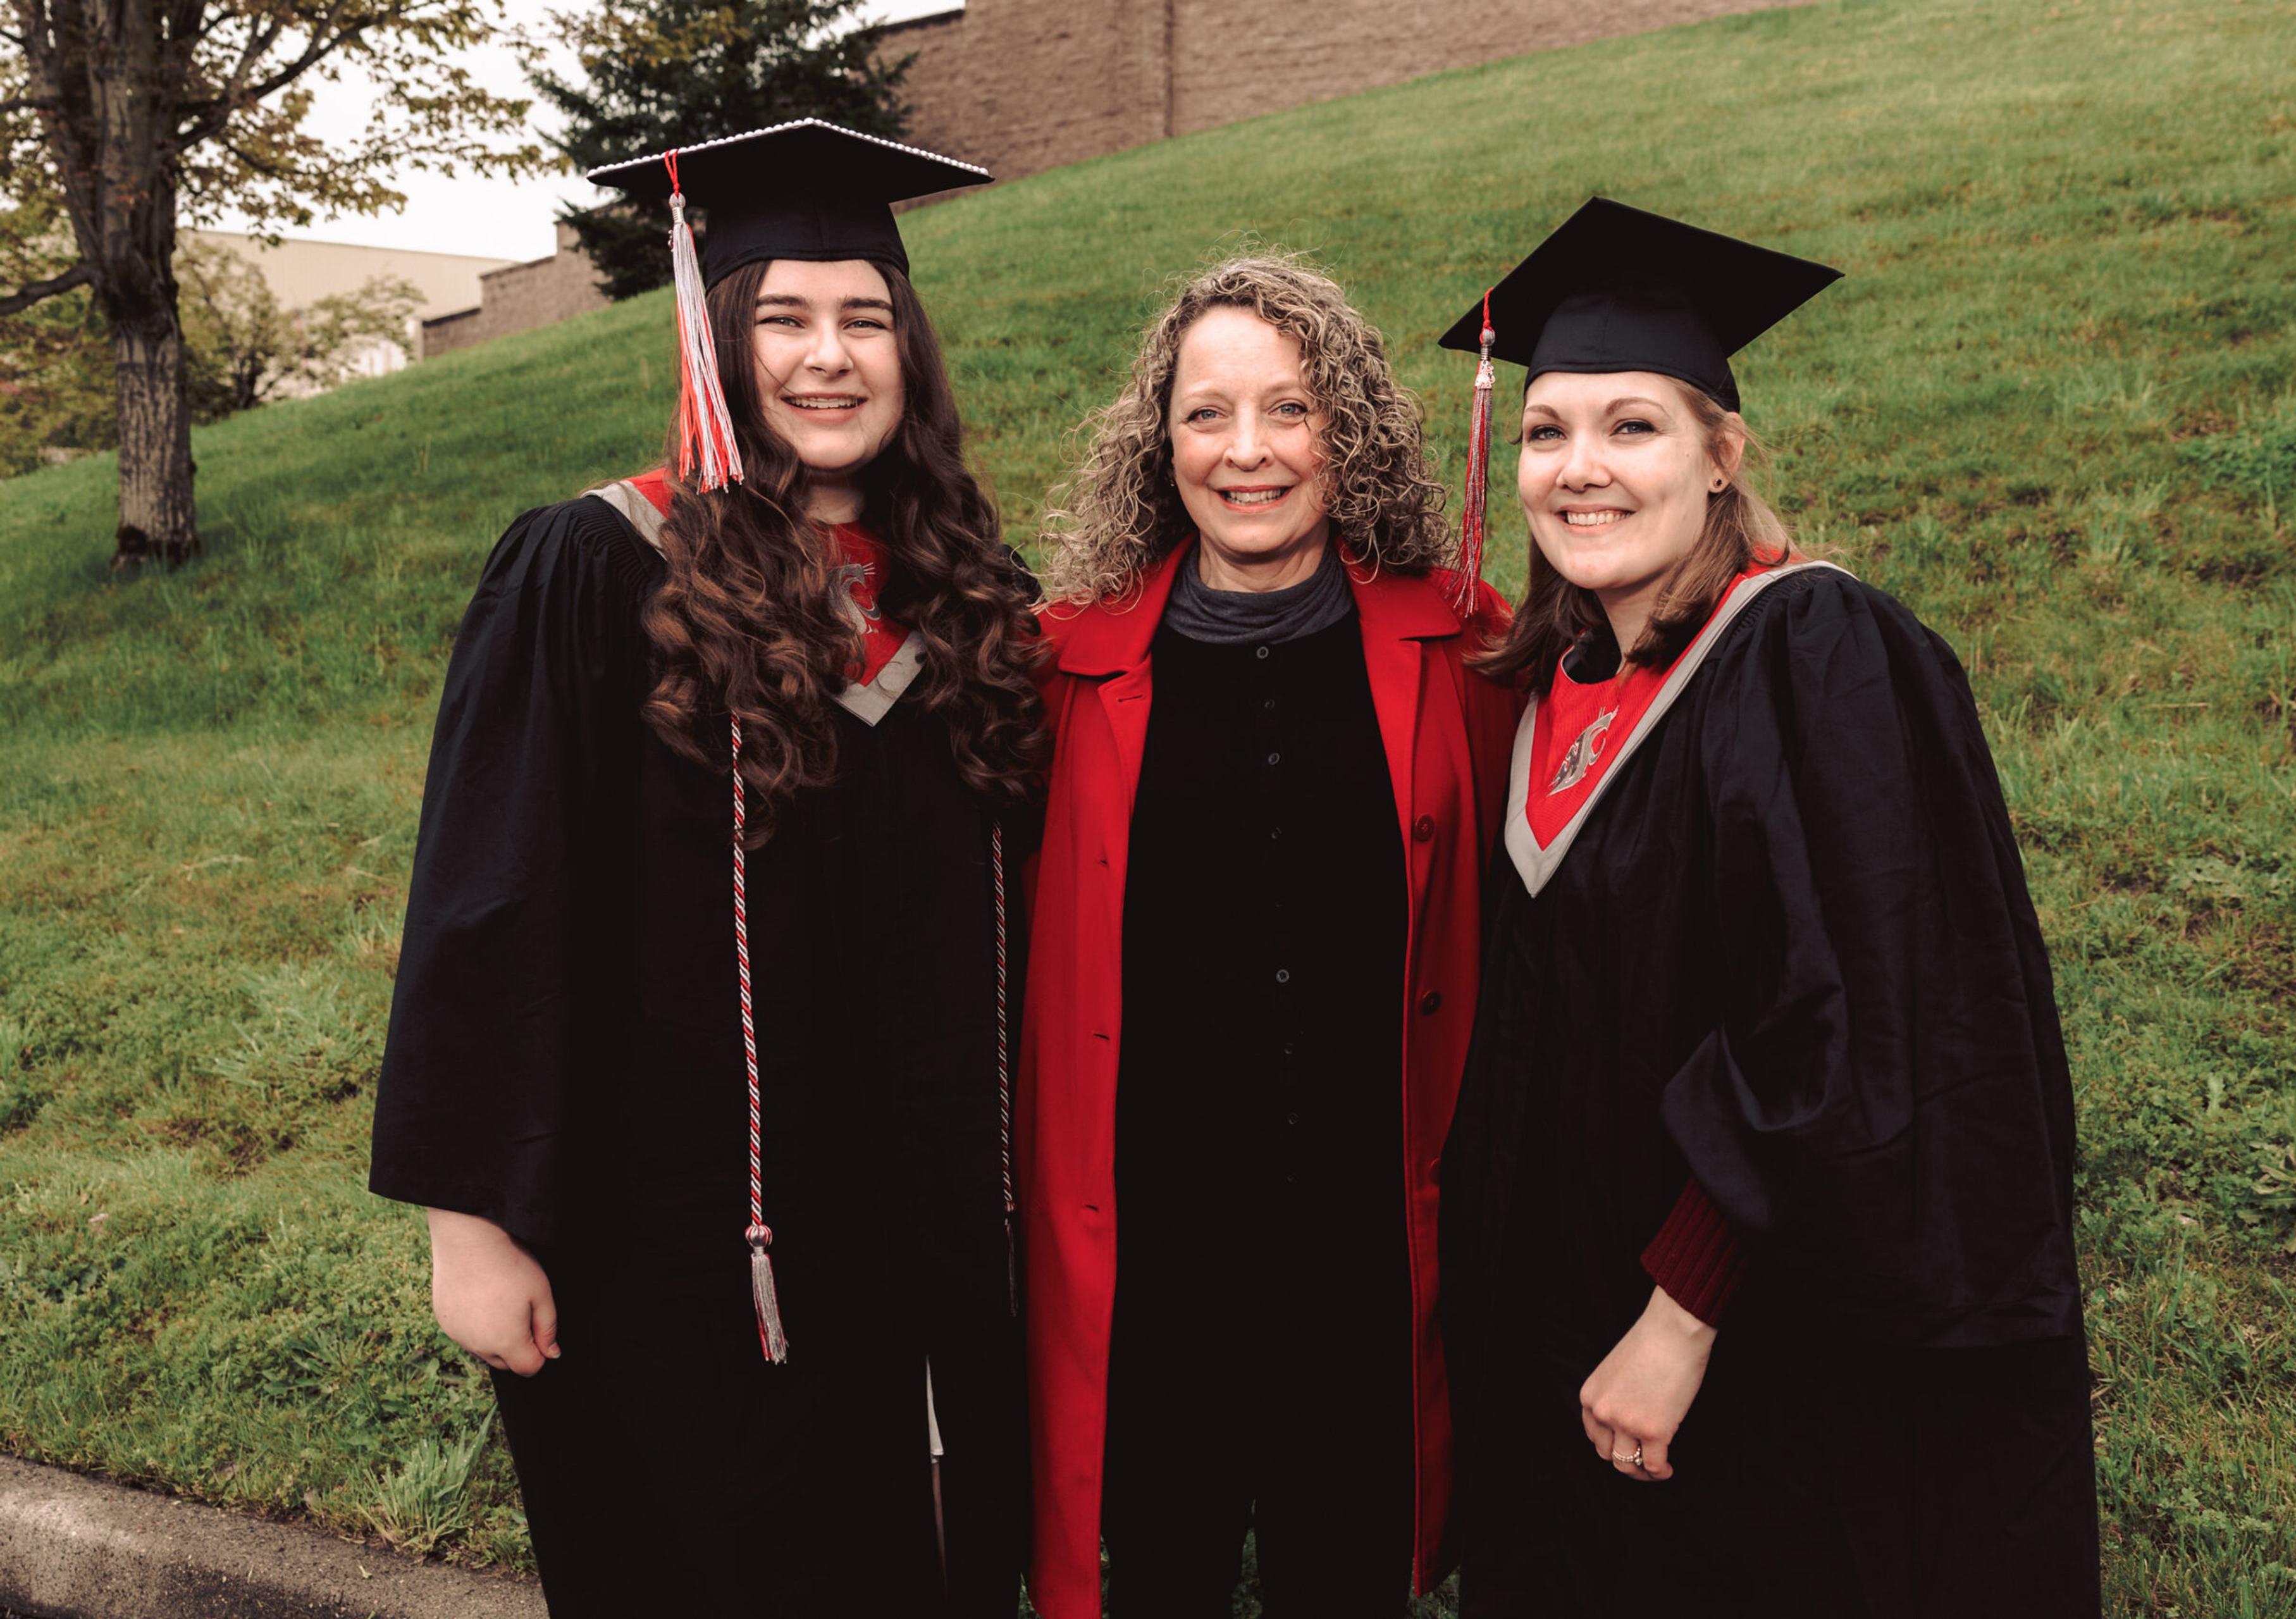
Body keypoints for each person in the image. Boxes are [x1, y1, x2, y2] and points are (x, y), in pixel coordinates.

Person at [369, 120, 1044, 1619]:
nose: (828, 356)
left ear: (909, 351)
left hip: (920, 1236)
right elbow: (487, 893)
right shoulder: (597, 568)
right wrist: (470, 1221)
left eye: (866, 319)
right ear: (712, 339)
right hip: (673, 1248)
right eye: (784, 320)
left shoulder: (966, 596)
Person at [1435, 199, 2101, 1618]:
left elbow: (1863, 1018)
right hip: (1580, 1346)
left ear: (1723, 454)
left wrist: (1682, 1314)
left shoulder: (1813, 646)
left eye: (1634, 427)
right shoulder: (1557, 695)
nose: (1577, 470)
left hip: (1759, 1356)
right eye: (1548, 432)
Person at [1018, 254, 1519, 1619]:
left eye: (1290, 410)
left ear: (1345, 432)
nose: (1247, 451)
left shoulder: (1466, 653)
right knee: (1162, 1572)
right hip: (1152, 1259)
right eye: (1206, 413)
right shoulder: (1061, 674)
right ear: (1157, 439)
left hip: (1370, 1256)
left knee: (1350, 1578)